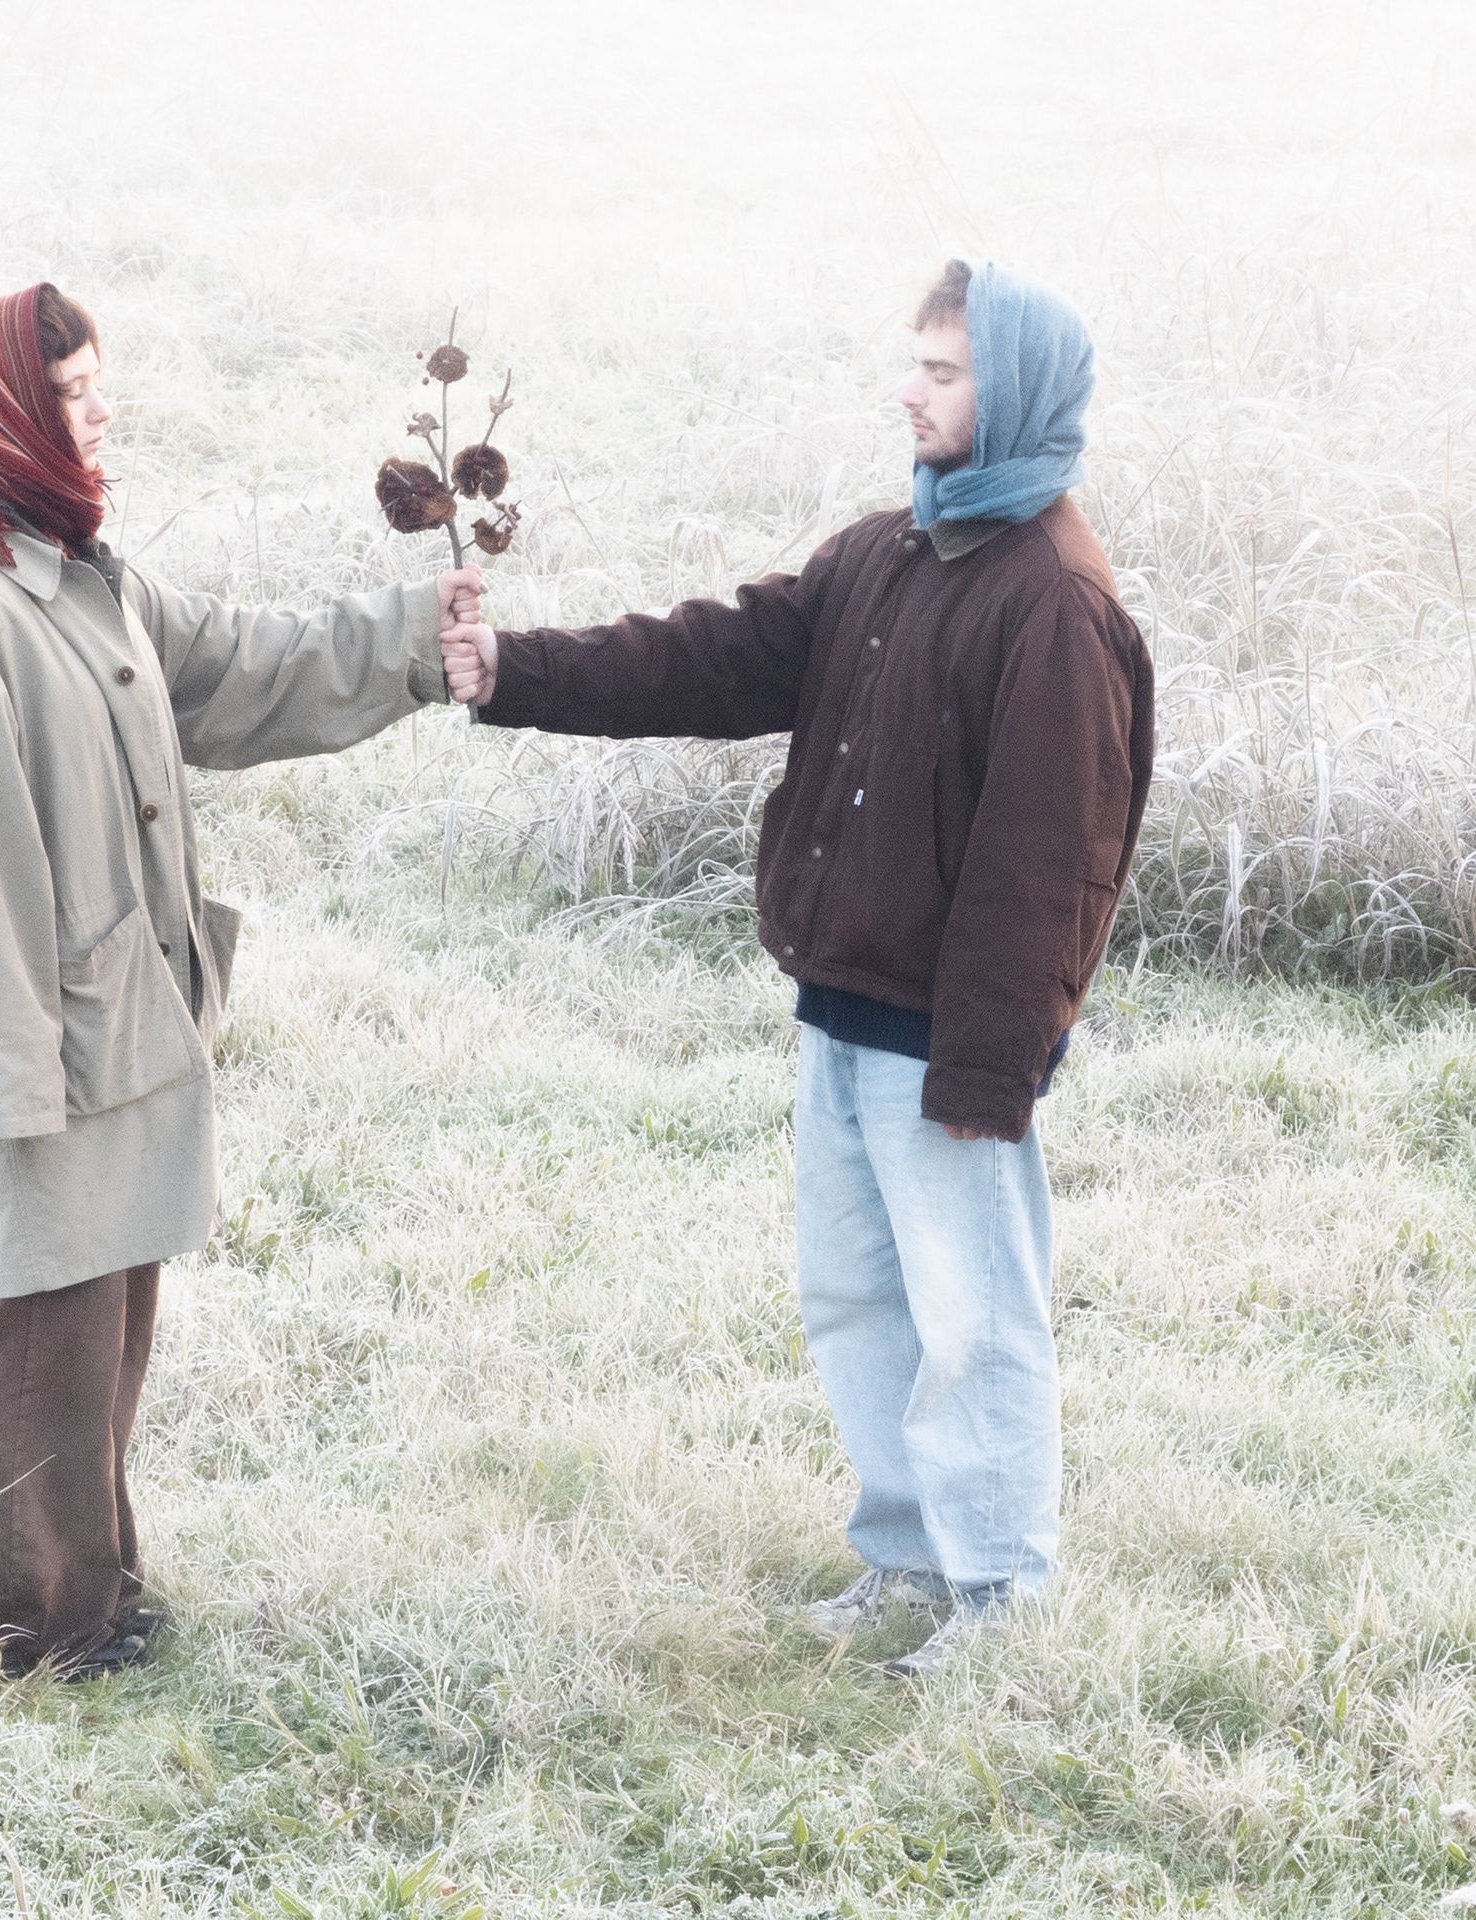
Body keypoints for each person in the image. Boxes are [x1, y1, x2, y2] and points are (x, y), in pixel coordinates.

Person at [438, 259, 1154, 1677]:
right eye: (914, 364)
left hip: (947, 1040)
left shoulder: (1057, 603)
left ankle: (1001, 1600)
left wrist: (988, 1072)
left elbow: (1049, 870)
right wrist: (513, 668)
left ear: (1015, 392)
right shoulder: (886, 554)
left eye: (944, 372)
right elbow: (707, 661)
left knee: (974, 1320)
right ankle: (907, 1557)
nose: (911, 393)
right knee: (858, 1300)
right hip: (842, 1010)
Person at [0, 283, 481, 1679]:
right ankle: (16, 1629)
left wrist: (413, 632)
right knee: (43, 1320)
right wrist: (10, 1087)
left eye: (100, 384)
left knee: (103, 1321)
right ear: (9, 413)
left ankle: (86, 1594)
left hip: (126, 1011)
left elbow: (240, 666)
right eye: (73, 393)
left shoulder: (84, 573)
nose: (102, 412)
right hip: (50, 1033)